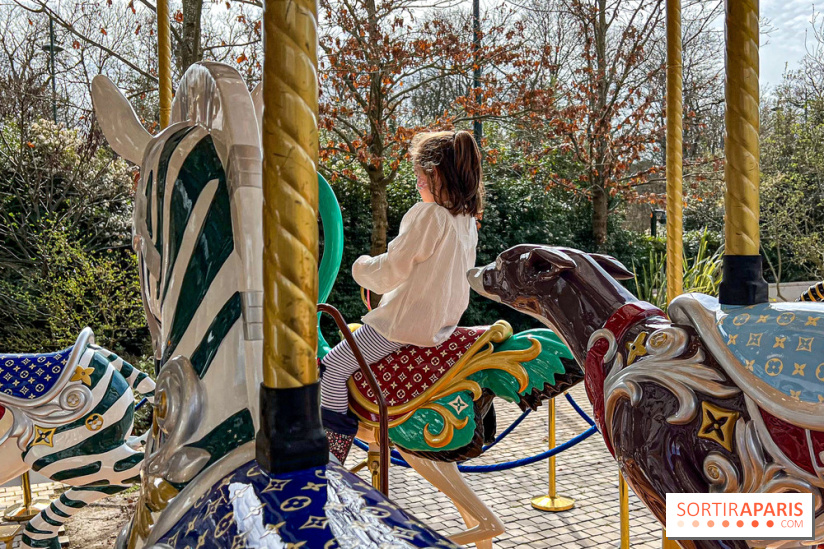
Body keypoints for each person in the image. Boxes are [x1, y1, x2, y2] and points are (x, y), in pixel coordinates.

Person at [321, 130, 484, 463]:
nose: (417, 185)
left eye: (419, 178)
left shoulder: (430, 216)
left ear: (435, 174)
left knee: (334, 368)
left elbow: (389, 272)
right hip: (440, 326)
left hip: (400, 326)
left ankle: (331, 454)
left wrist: (360, 267)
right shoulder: (465, 221)